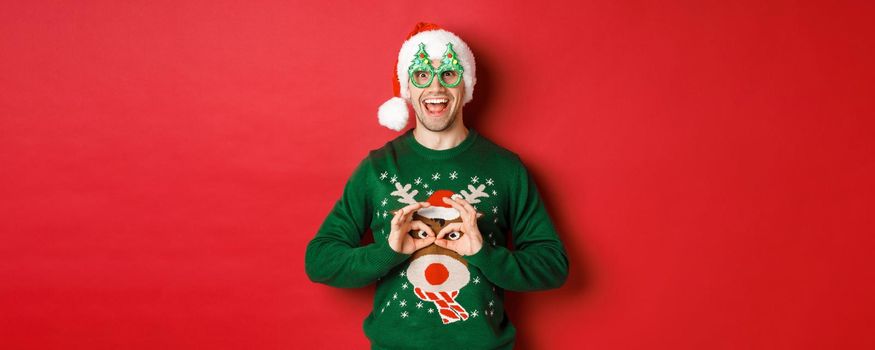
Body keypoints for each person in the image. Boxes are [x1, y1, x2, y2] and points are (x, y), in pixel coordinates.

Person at [305, 22, 569, 350]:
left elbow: (553, 265)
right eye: (421, 75)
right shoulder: (378, 168)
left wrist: (483, 254)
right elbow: (319, 261)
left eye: (448, 74)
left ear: (467, 84)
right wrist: (387, 252)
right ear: (407, 88)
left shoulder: (505, 169)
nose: (435, 88)